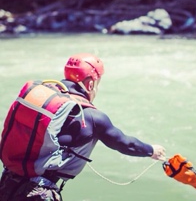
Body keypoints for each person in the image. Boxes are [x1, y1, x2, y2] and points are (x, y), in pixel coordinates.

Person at [0, 53, 166, 201]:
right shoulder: (92, 117)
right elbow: (125, 144)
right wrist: (151, 150)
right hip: (38, 192)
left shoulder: (48, 98)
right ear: (90, 84)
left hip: (8, 181)